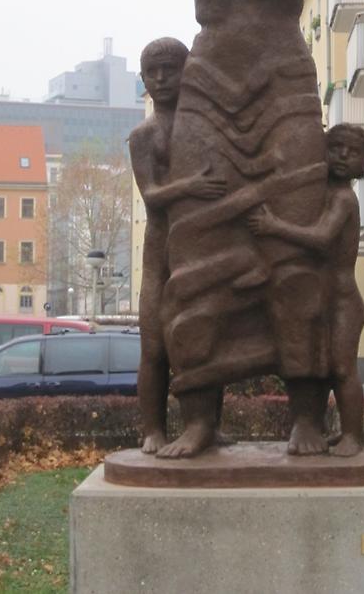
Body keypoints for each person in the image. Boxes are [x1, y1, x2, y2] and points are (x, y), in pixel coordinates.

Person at [131, 0, 346, 458]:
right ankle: (199, 418)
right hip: (213, 66)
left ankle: (308, 417)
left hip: (281, 63)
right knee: (199, 247)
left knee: (295, 252)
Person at [246, 123, 364, 456]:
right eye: (336, 148)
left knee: (342, 369)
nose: (343, 156)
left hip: (344, 301)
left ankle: (354, 436)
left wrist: (274, 227)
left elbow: (322, 239)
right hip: (321, 298)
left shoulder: (344, 199)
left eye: (353, 151)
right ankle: (333, 430)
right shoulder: (317, 195)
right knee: (322, 366)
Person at [128, 38, 226, 453]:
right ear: (144, 79)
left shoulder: (206, 128)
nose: (163, 78)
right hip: (160, 249)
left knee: (206, 337)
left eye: (171, 69)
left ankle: (207, 425)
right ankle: (153, 429)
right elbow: (151, 195)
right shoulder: (144, 134)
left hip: (202, 246)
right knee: (154, 344)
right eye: (154, 72)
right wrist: (195, 186)